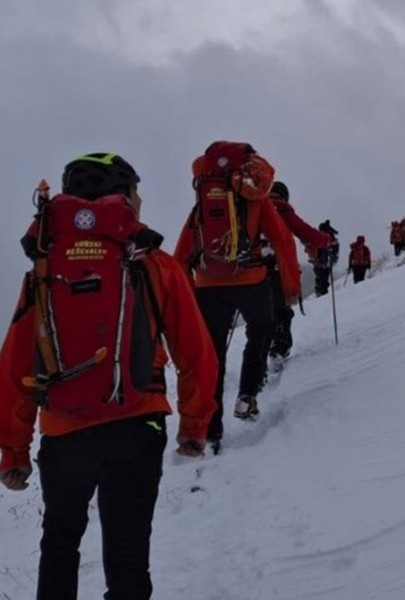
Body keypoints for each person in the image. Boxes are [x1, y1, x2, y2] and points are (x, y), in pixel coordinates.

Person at [0, 152, 218, 600]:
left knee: (59, 545)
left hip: (64, 433)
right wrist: (195, 426)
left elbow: (16, 366)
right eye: (135, 190)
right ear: (121, 195)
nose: (140, 200)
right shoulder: (154, 263)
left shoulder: (42, 269)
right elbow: (196, 353)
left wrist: (14, 451)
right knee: (129, 556)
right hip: (139, 425)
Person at [174, 142, 300, 449]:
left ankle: (211, 430)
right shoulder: (256, 198)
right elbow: (283, 242)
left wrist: (186, 293)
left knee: (212, 355)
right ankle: (247, 395)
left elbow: (183, 251)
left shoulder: (202, 201)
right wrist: (290, 288)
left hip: (207, 285)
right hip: (252, 281)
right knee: (262, 330)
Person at [262, 180, 333, 361]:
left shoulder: (256, 207)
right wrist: (326, 239)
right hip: (277, 269)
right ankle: (278, 352)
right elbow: (306, 233)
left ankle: (260, 355)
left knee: (261, 314)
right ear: (284, 196)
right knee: (281, 312)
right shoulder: (282, 210)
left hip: (253, 270)